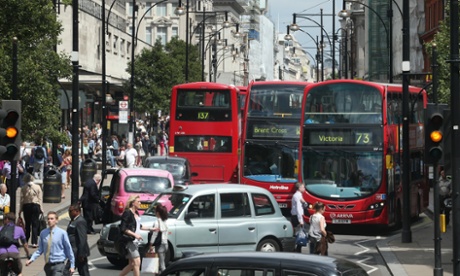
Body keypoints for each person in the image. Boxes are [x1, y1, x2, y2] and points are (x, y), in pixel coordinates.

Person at [25, 211, 75, 276]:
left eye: (52, 219)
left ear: (56, 220)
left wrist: (72, 265)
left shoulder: (62, 233)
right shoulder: (43, 233)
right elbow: (40, 250)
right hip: (48, 266)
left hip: (59, 265)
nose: (49, 221)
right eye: (48, 219)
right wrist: (31, 259)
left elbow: (69, 249)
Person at [119, 195, 143, 276]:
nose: (140, 203)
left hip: (135, 242)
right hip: (129, 241)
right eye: (138, 201)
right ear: (133, 203)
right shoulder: (127, 213)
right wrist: (135, 235)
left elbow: (139, 226)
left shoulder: (136, 212)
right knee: (137, 262)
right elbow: (123, 228)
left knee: (131, 264)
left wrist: (152, 228)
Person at [0, 212, 30, 276]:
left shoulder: (0, 229)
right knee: (19, 272)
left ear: (6, 219)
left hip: (2, 254)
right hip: (14, 253)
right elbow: (25, 244)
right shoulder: (19, 229)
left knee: (2, 272)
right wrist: (28, 254)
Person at [65, 204, 90, 276]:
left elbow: (82, 238)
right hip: (74, 250)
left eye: (70, 211)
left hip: (77, 251)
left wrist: (81, 254)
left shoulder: (80, 221)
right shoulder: (73, 220)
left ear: (77, 211)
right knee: (84, 272)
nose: (69, 213)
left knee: (66, 271)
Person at [19, 173, 43, 248]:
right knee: (35, 224)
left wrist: (20, 210)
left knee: (27, 224)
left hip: (26, 206)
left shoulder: (23, 188)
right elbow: (40, 198)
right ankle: (34, 242)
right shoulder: (38, 187)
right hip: (36, 206)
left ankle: (26, 241)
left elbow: (21, 200)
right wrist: (41, 209)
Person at [143, 203, 168, 273]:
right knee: (159, 263)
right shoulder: (165, 221)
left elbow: (154, 234)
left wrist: (151, 244)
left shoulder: (157, 222)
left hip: (159, 245)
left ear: (157, 213)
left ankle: (165, 274)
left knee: (161, 265)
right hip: (165, 244)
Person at [290, 182, 306, 253]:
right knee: (299, 233)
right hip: (297, 216)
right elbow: (298, 209)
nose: (304, 188)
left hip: (295, 216)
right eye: (303, 187)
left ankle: (296, 248)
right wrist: (301, 220)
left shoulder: (298, 195)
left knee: (297, 233)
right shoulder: (298, 196)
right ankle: (296, 249)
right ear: (299, 188)